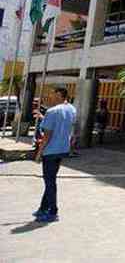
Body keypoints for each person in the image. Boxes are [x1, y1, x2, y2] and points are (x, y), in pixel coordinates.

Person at [32, 87, 77, 223]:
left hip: (51, 151)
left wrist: (39, 153)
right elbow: (64, 125)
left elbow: (47, 135)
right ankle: (43, 207)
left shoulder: (52, 111)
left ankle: (52, 211)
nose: (52, 97)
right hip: (63, 149)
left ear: (60, 96)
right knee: (50, 179)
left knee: (50, 181)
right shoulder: (71, 109)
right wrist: (43, 117)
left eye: (54, 95)